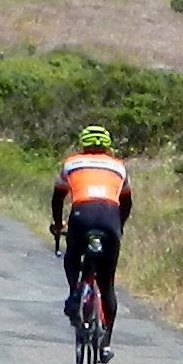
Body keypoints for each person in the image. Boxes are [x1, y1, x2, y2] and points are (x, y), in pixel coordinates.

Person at [49, 125, 134, 350]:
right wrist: (118, 227)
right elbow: (126, 203)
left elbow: (57, 198)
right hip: (110, 217)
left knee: (72, 255)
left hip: (82, 215)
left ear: (83, 144)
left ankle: (74, 293)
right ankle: (106, 344)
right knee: (107, 284)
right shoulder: (119, 167)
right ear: (107, 146)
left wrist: (58, 224)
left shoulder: (71, 163)